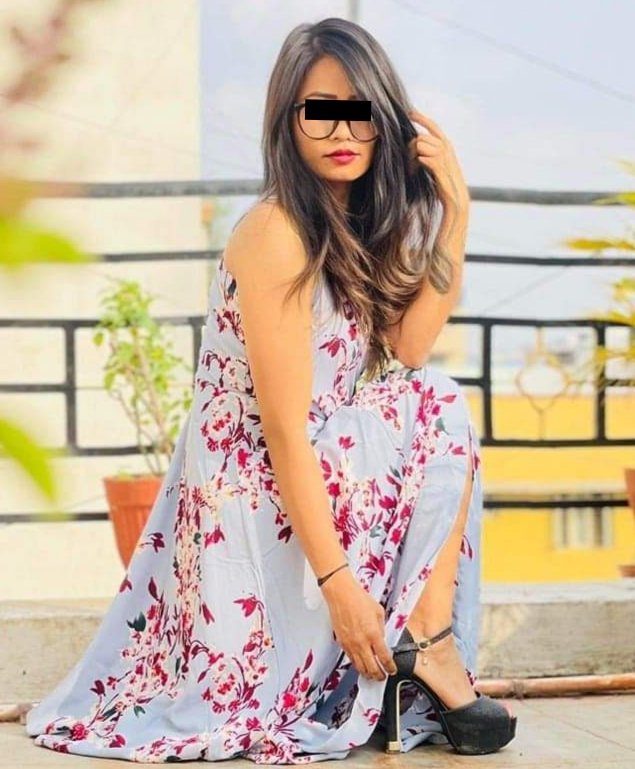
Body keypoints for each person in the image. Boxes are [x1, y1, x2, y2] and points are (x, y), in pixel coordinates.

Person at [25, 16, 517, 763]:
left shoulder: (349, 229)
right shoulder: (275, 232)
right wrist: (340, 586)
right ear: (287, 122)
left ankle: (428, 636)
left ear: (387, 121)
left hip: (307, 472)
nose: (341, 130)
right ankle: (427, 641)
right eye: (319, 111)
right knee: (434, 401)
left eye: (359, 110)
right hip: (250, 493)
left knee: (432, 394)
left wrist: (456, 214)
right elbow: (282, 430)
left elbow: (409, 349)